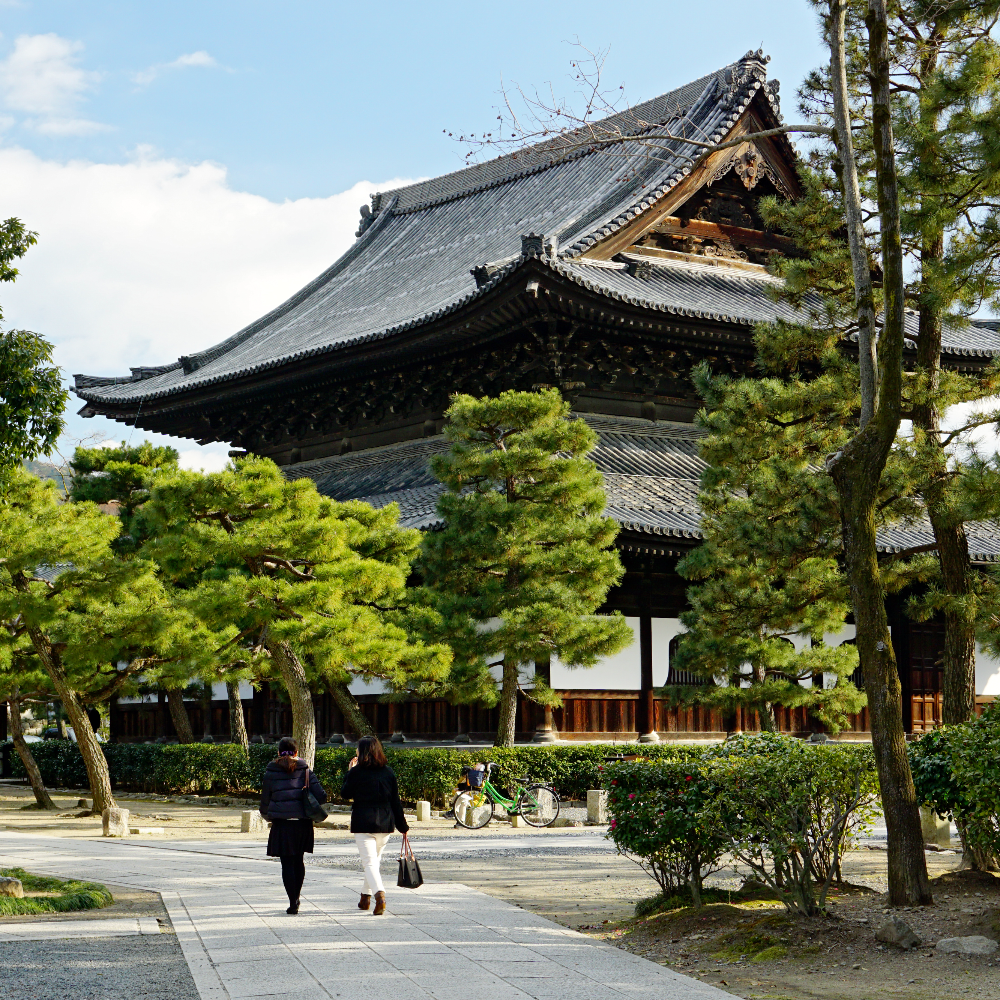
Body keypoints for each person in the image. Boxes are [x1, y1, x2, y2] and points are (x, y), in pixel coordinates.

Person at [340, 736, 408, 915]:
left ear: (362, 752)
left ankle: (380, 896)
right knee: (374, 862)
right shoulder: (388, 772)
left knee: (369, 863)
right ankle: (365, 898)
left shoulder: (357, 772)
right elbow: (396, 801)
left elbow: (345, 793)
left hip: (363, 821)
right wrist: (403, 826)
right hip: (385, 822)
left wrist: (350, 771)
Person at [259, 736, 327, 915]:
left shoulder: (271, 772)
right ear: (297, 752)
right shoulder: (305, 771)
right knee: (299, 861)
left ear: (278, 753)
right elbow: (322, 796)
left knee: (286, 864)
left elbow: (264, 802)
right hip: (302, 823)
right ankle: (297, 896)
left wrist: (270, 816)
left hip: (282, 824)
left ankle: (292, 901)